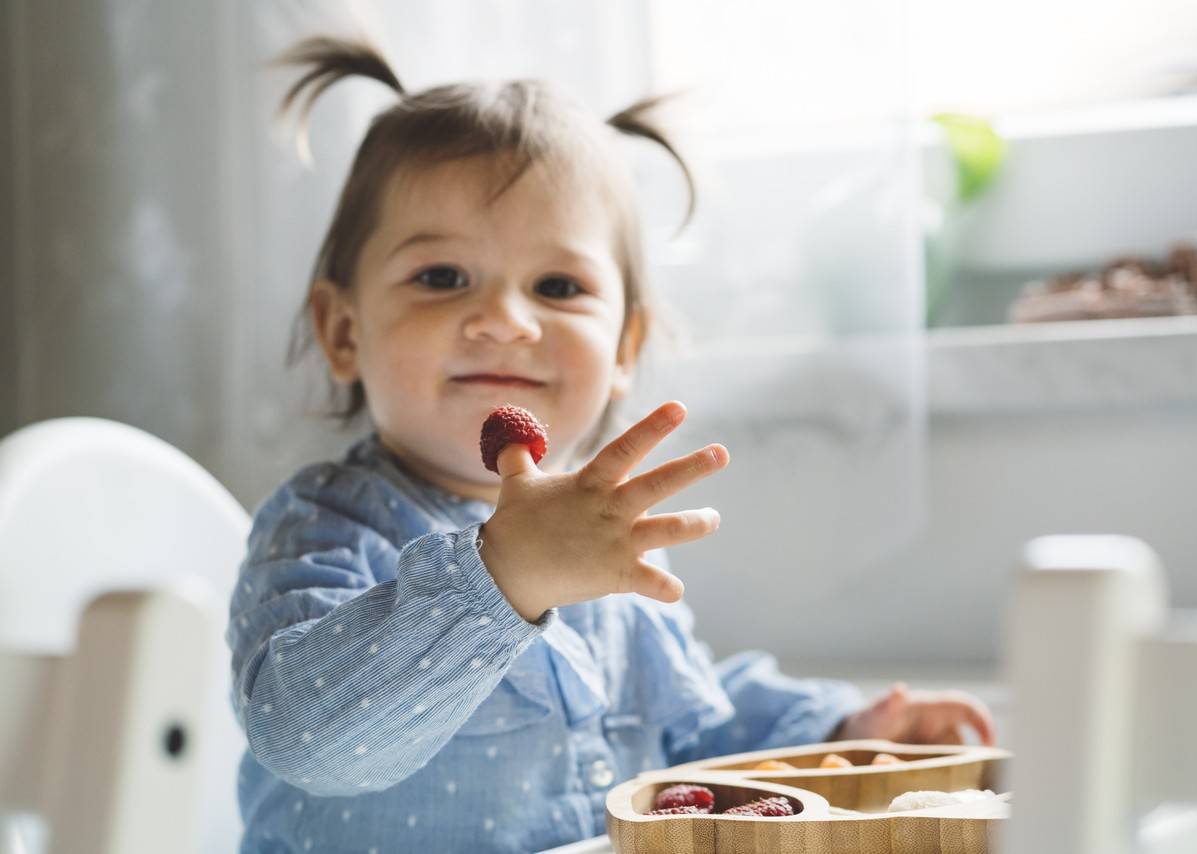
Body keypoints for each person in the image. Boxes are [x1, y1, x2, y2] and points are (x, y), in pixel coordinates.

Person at [227, 34, 996, 854]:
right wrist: (500, 577)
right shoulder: (322, 526)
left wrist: (841, 725)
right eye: (442, 276)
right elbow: (303, 738)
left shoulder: (602, 540)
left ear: (625, 346)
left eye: (558, 287)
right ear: (343, 330)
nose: (507, 321)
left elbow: (687, 733)